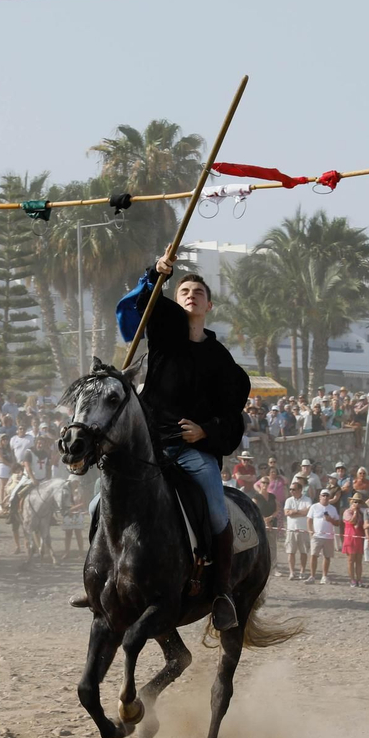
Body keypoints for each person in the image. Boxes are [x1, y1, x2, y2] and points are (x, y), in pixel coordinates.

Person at [88, 250, 252, 630]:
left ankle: (222, 591)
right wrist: (156, 273)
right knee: (98, 501)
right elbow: (144, 305)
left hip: (193, 452)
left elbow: (233, 418)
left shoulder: (224, 365)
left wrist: (205, 431)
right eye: (183, 291)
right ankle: (99, 580)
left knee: (215, 509)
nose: (190, 294)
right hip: (150, 449)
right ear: (176, 302)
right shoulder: (163, 335)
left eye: (197, 291)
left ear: (209, 304)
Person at [305, 487, 339, 585]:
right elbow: (309, 519)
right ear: (320, 496)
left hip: (328, 536)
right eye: (323, 495)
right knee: (313, 555)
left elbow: (337, 523)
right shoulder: (314, 507)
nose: (325, 497)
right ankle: (312, 576)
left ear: (329, 497)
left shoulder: (332, 509)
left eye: (327, 495)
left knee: (327, 557)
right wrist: (310, 531)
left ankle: (324, 576)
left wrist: (330, 520)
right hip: (317, 535)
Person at [282, 478, 312, 581]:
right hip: (291, 530)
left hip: (303, 530)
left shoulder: (307, 500)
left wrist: (294, 512)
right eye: (290, 489)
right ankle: (292, 572)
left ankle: (302, 571)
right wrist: (299, 512)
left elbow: (307, 512)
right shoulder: (288, 500)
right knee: (291, 552)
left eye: (294, 489)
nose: (291, 491)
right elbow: (286, 513)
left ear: (300, 490)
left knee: (303, 552)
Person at [341, 492, 366, 588]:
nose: (357, 504)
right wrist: (355, 512)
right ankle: (352, 579)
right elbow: (351, 521)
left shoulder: (362, 513)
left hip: (359, 537)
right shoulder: (347, 512)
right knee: (351, 560)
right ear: (352, 502)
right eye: (355, 501)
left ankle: (359, 579)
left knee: (359, 560)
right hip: (350, 537)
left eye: (359, 502)